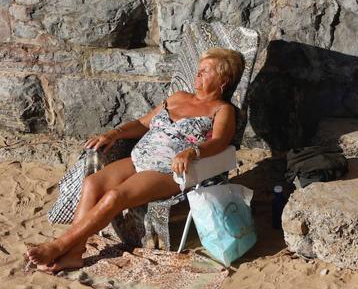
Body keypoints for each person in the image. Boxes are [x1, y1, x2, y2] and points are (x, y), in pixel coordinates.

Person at [26, 48, 245, 272]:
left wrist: (193, 152)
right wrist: (114, 133)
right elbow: (143, 123)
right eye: (198, 70)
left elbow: (220, 141)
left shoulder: (222, 110)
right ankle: (74, 253)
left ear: (223, 80)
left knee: (115, 196)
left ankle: (60, 245)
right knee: (92, 183)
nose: (197, 75)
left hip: (167, 171)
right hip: (138, 158)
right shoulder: (179, 97)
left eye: (205, 71)